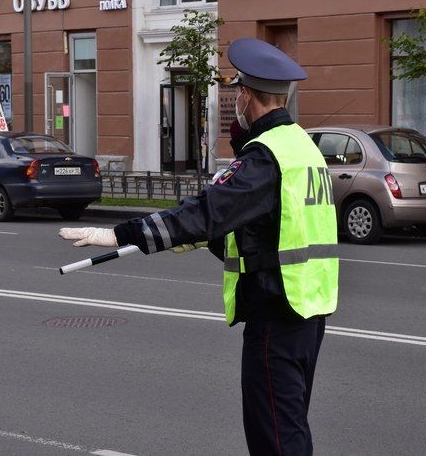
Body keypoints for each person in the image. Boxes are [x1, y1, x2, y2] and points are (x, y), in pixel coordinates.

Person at [59, 38, 339, 455]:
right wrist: (207, 238)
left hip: (276, 311)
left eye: (237, 93)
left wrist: (122, 234)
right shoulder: (303, 147)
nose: (237, 102)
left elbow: (209, 210)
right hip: (308, 307)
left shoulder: (265, 157)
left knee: (276, 439)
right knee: (290, 425)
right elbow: (273, 225)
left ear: (246, 95)